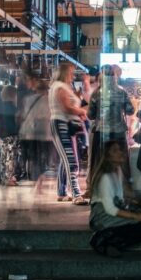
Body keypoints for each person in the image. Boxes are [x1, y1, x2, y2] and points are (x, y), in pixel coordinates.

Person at [88, 139, 141, 258]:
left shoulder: (117, 171)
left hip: (116, 207)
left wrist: (138, 203)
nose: (120, 152)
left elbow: (122, 196)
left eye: (119, 149)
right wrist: (136, 216)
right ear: (108, 157)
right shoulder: (105, 178)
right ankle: (101, 239)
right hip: (101, 214)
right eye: (115, 151)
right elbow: (110, 209)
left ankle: (110, 242)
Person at [49, 62, 88, 204]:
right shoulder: (60, 87)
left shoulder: (62, 87)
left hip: (65, 125)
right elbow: (67, 108)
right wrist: (82, 111)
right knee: (71, 161)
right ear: (65, 73)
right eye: (71, 72)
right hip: (61, 124)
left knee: (65, 160)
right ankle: (76, 194)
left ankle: (62, 192)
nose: (73, 75)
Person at [89, 65, 133, 180]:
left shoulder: (96, 93)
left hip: (101, 131)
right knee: (121, 162)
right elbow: (130, 110)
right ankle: (125, 190)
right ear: (115, 76)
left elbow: (90, 115)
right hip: (119, 132)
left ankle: (97, 189)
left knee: (100, 162)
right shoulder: (122, 92)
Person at [18, 76, 55, 183]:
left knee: (34, 157)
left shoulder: (27, 99)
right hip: (44, 134)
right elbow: (48, 116)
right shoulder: (48, 100)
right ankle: (39, 178)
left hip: (30, 133)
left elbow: (24, 115)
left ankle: (35, 177)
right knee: (44, 157)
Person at [0, 85, 21, 186]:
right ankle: (9, 178)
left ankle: (1, 178)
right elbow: (17, 120)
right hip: (11, 134)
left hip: (2, 134)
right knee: (10, 157)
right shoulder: (13, 107)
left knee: (2, 157)